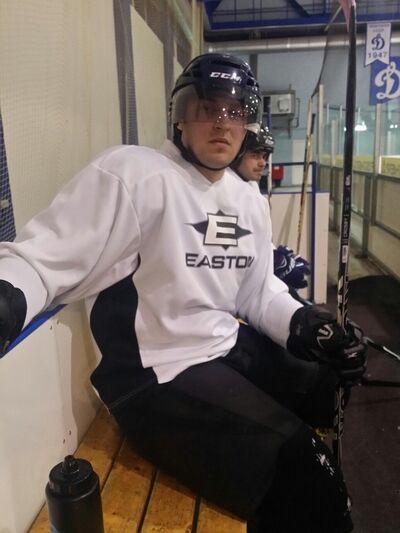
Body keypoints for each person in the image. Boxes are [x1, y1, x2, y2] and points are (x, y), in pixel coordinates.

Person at [0, 53, 366, 532]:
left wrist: (305, 324)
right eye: (207, 108)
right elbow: (42, 258)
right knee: (304, 473)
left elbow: (258, 293)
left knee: (325, 385)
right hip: (154, 377)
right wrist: (8, 296)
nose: (222, 122)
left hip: (222, 346)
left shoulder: (246, 198)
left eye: (235, 111)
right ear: (180, 117)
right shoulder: (134, 175)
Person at [231, 126, 311, 296]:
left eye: (265, 156)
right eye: (255, 155)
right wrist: (275, 262)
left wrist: (275, 253)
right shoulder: (226, 192)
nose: (263, 163)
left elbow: (256, 239)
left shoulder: (249, 185)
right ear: (236, 153)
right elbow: (233, 248)